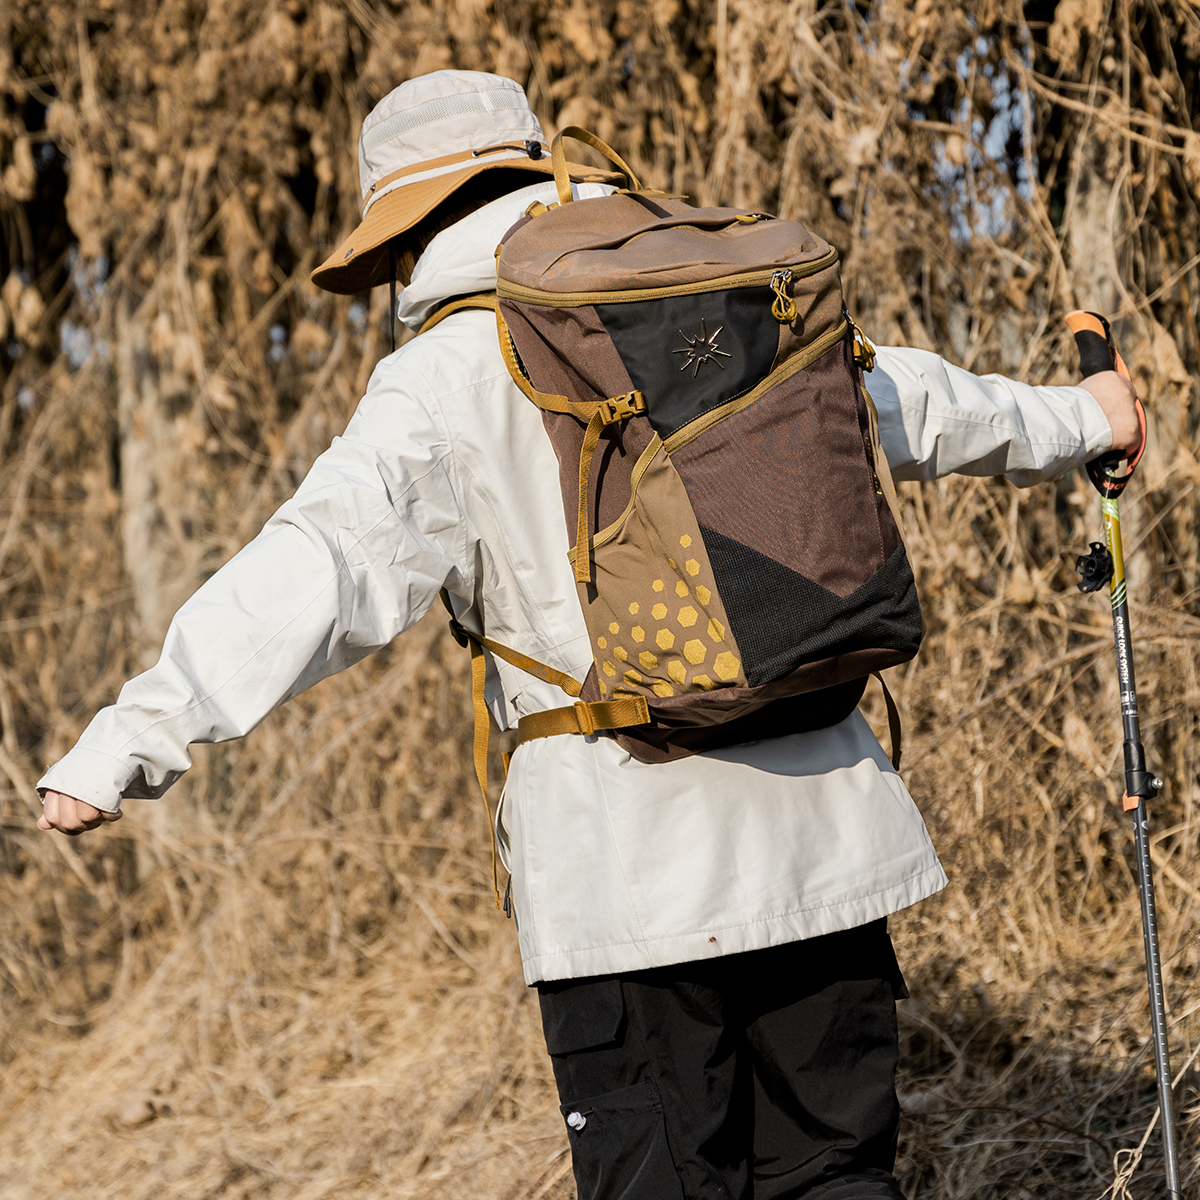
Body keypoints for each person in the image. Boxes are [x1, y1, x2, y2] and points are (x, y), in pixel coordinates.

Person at [37, 70, 1140, 1200]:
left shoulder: (448, 375)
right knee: (837, 1179)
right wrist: (1085, 418)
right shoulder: (727, 301)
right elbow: (911, 403)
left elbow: (315, 571)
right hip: (827, 833)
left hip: (631, 883)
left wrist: (133, 736)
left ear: (413, 226)